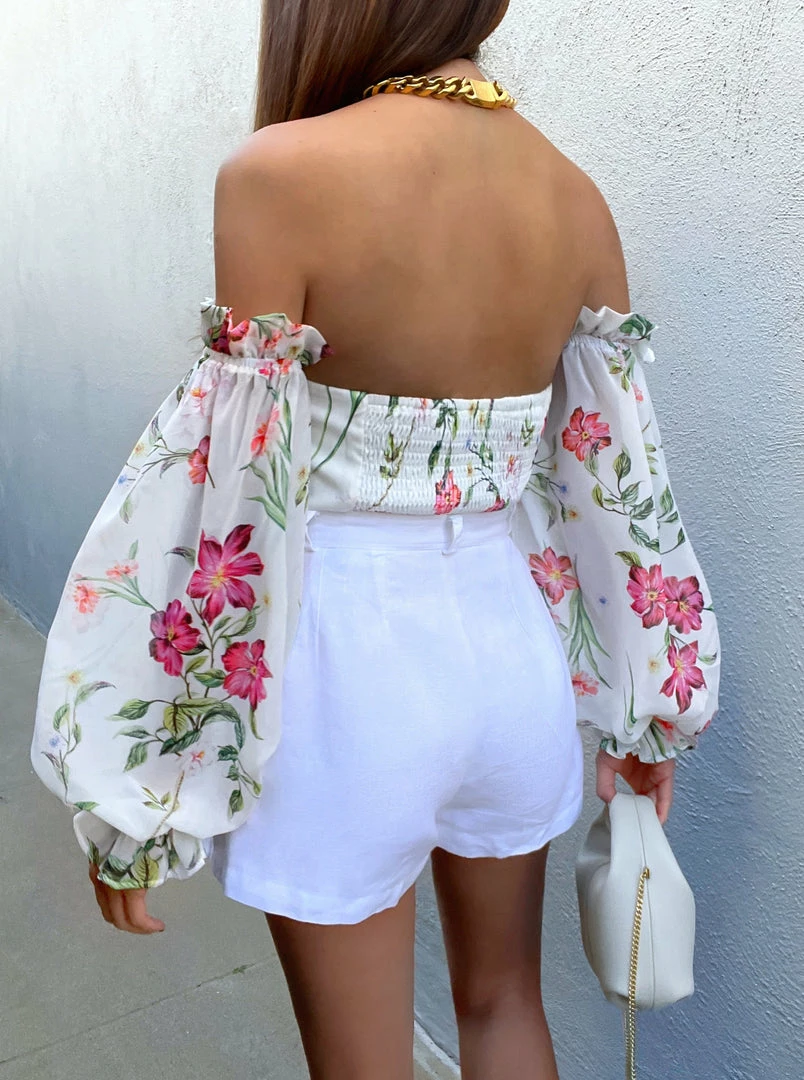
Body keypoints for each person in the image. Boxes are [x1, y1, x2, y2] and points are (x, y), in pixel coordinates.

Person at [31, 2, 720, 1078]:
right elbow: (619, 483)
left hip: (344, 667)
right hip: (509, 657)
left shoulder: (279, 175)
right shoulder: (576, 197)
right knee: (504, 1006)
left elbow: (221, 504)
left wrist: (141, 791)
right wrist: (648, 710)